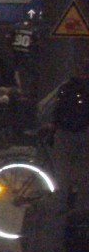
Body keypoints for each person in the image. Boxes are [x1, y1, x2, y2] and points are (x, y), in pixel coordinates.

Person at [39, 53, 89, 211]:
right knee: (84, 177)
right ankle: (80, 213)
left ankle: (59, 212)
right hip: (84, 135)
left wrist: (51, 124)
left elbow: (47, 107)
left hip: (62, 134)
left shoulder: (67, 86)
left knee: (62, 175)